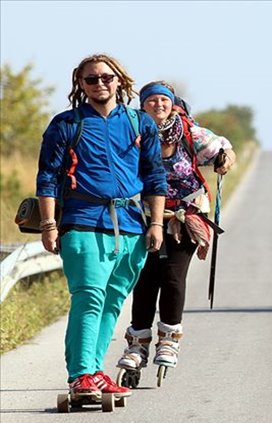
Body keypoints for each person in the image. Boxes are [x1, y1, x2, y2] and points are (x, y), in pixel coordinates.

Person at [36, 54, 167, 400]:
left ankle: (96, 371)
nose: (99, 84)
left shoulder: (140, 123)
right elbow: (47, 178)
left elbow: (155, 177)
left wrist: (156, 223)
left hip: (131, 226)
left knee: (112, 302)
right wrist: (49, 225)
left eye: (106, 78)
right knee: (89, 297)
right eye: (91, 79)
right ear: (80, 84)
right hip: (82, 221)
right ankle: (80, 375)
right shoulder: (66, 124)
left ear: (120, 81)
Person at [115, 81, 236, 381]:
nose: (158, 105)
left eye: (163, 100)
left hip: (185, 216)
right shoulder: (132, 132)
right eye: (152, 100)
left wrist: (224, 161)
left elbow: (225, 149)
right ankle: (138, 344)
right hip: (142, 216)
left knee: (171, 276)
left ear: (172, 103)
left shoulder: (188, 132)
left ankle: (169, 338)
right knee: (144, 278)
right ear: (142, 105)